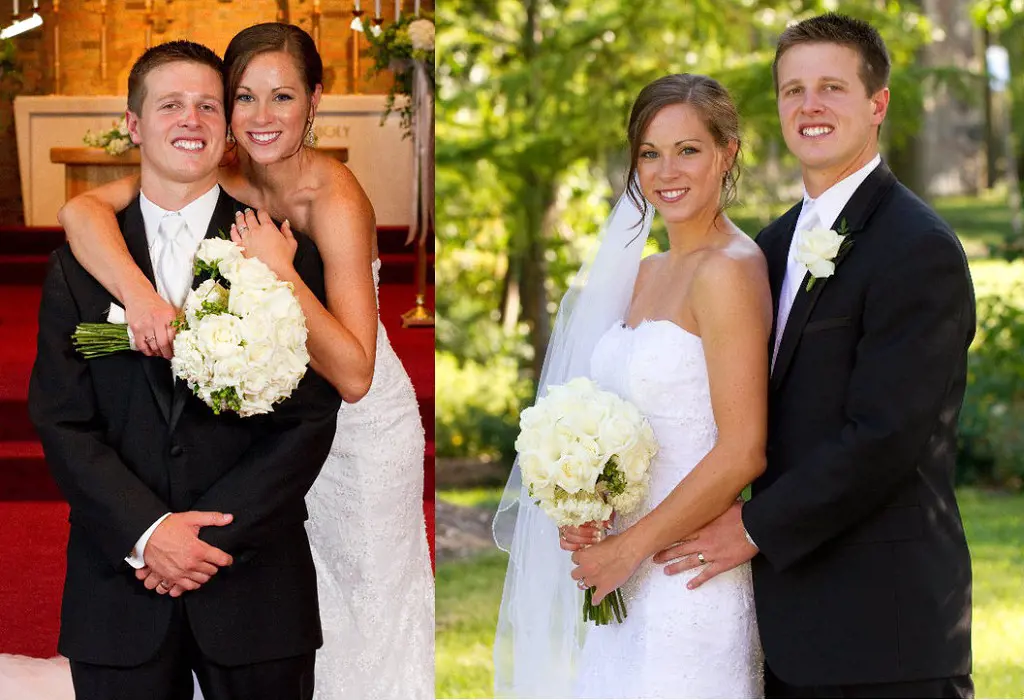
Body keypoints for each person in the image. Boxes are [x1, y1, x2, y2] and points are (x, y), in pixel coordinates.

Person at [574, 13, 976, 700]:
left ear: (877, 104)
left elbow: (886, 436)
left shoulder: (918, 247)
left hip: (884, 629)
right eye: (793, 91)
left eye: (831, 88)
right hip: (785, 620)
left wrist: (754, 526)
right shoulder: (775, 243)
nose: (809, 106)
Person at [55, 23, 434, 700]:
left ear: (314, 100)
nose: (262, 117)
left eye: (283, 97)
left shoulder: (333, 196)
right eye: (244, 98)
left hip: (357, 417)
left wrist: (281, 271)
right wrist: (143, 306)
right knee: (278, 590)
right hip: (252, 420)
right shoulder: (212, 170)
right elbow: (82, 210)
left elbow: (352, 376)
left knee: (364, 605)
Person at [27, 39, 342, 700]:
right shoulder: (76, 267)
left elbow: (310, 416)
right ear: (135, 125)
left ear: (227, 126)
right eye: (170, 104)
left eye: (207, 105)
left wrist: (203, 539)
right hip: (119, 586)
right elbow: (62, 420)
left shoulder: (279, 251)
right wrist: (150, 533)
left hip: (254, 583)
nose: (190, 120)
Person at [493, 73, 772, 698]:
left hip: (686, 574)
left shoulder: (729, 271)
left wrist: (632, 549)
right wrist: (591, 506)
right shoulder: (644, 274)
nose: (666, 170)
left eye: (688, 149)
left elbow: (743, 448)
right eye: (650, 153)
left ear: (727, 153)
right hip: (622, 566)